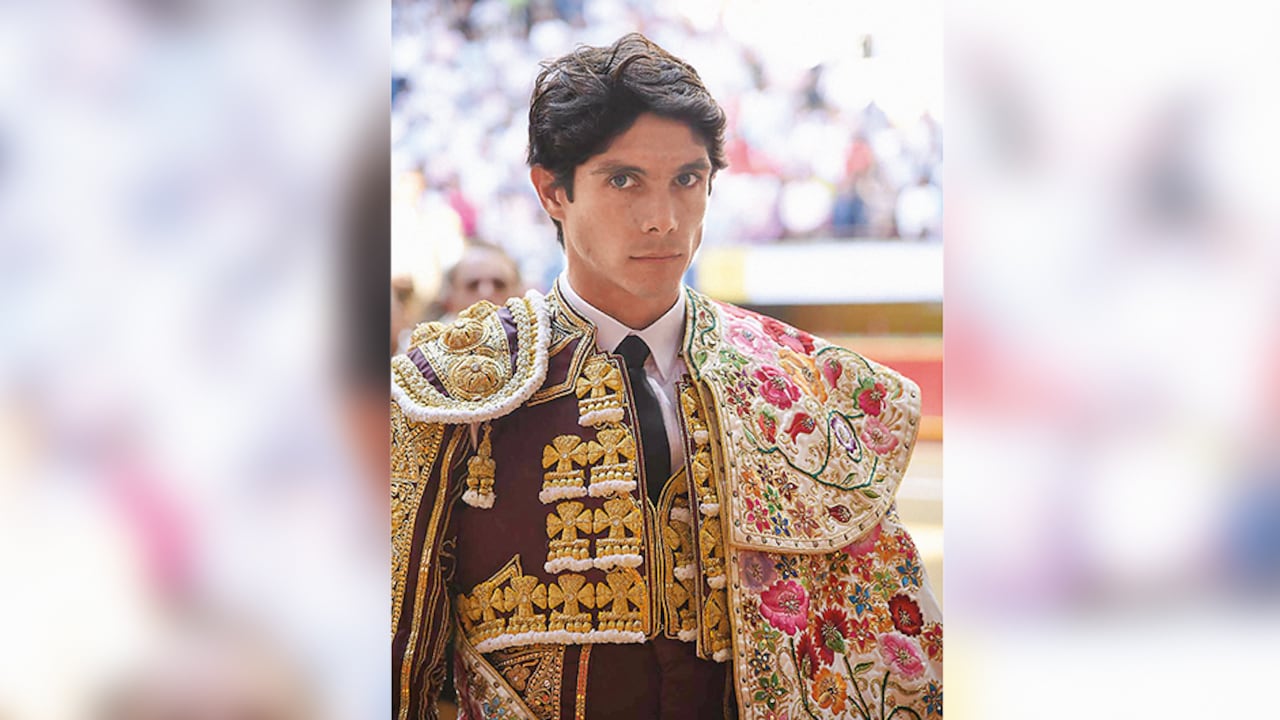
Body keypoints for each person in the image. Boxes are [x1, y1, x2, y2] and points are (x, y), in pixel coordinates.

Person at [391, 33, 942, 720]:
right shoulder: (450, 389)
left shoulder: (798, 386)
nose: (664, 220)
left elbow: (887, 652)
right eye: (623, 180)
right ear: (551, 192)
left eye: (688, 179)